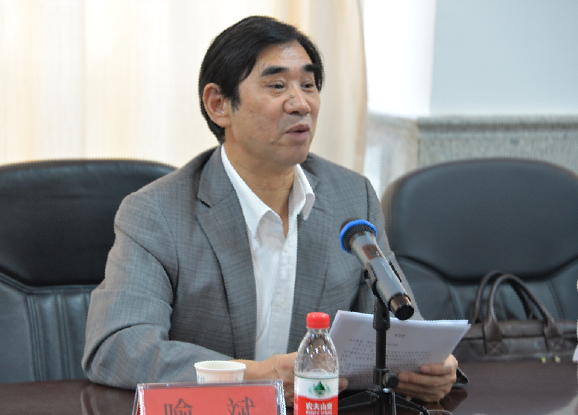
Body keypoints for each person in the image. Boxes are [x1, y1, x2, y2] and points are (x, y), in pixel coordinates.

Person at [82, 15, 458, 405]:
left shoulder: (352, 197)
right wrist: (254, 377)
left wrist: (429, 368)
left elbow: (400, 328)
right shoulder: (157, 212)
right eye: (277, 86)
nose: (301, 104)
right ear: (219, 105)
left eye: (308, 85)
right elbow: (117, 346)